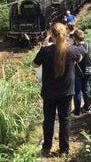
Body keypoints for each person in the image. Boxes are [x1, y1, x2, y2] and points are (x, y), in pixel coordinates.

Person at [32, 22, 84, 157]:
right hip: (66, 93)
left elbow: (34, 64)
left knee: (48, 120)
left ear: (51, 35)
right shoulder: (72, 50)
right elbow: (80, 58)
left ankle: (46, 147)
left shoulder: (45, 51)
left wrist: (45, 45)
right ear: (65, 35)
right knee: (65, 120)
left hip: (49, 92)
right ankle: (64, 150)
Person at [72, 29, 91, 117]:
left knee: (77, 91)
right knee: (86, 89)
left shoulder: (77, 48)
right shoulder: (87, 45)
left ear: (75, 38)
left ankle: (77, 111)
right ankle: (87, 107)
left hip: (79, 72)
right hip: (88, 70)